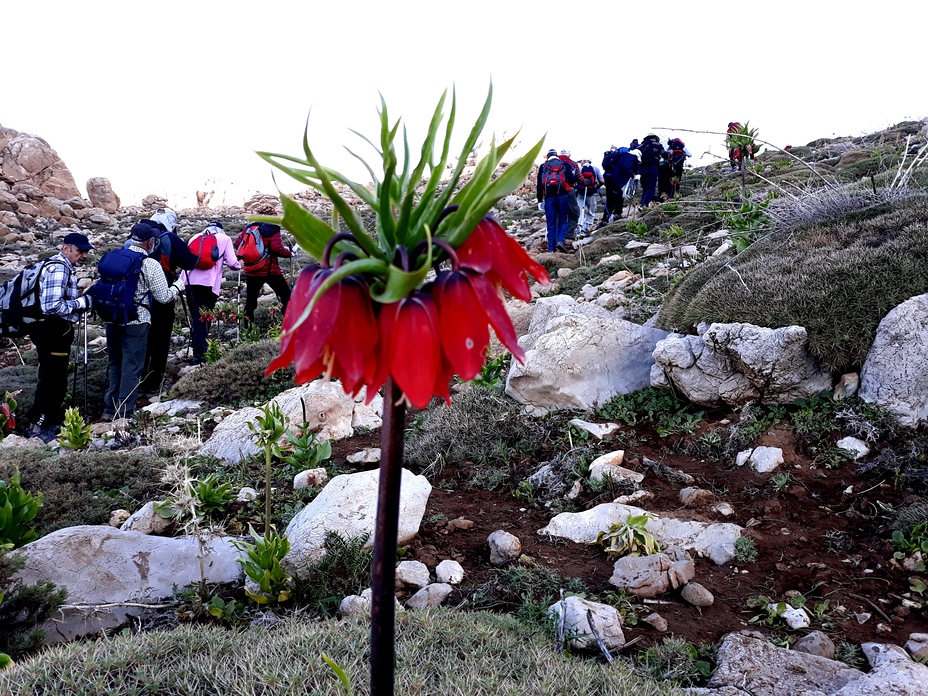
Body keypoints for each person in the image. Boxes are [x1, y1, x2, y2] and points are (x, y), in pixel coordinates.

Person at [102, 224, 185, 420]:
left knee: (115, 363)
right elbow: (163, 297)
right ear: (150, 243)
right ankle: (125, 411)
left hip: (111, 318)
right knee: (132, 366)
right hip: (137, 320)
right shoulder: (149, 264)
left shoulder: (114, 257)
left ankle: (108, 408)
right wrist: (178, 286)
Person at [26, 233, 93, 442]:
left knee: (53, 378)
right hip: (52, 330)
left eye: (85, 251)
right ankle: (37, 429)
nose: (83, 255)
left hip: (49, 330)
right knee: (53, 380)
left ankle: (43, 424)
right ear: (66, 248)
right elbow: (52, 305)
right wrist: (80, 304)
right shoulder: (59, 268)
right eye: (79, 250)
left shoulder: (56, 265)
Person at [138, 208, 198, 395]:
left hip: (136, 298)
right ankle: (152, 384)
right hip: (162, 296)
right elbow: (190, 262)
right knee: (160, 339)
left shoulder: (135, 234)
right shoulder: (167, 238)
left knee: (140, 339)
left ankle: (134, 381)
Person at [184, 221, 241, 364]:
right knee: (203, 317)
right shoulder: (224, 239)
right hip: (209, 283)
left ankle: (197, 346)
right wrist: (240, 265)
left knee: (195, 315)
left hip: (189, 282)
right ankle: (200, 353)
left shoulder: (196, 236)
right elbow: (232, 263)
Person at [235, 212, 293, 325]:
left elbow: (238, 244)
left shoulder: (249, 227)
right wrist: (289, 253)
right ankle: (288, 322)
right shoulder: (273, 228)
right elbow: (276, 248)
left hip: (251, 270)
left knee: (251, 299)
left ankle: (247, 327)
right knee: (286, 295)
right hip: (270, 270)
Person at [536, 148, 577, 253]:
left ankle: (551, 249)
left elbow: (539, 185)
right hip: (563, 196)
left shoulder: (543, 166)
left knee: (551, 222)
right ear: (556, 155)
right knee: (563, 220)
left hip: (549, 197)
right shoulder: (564, 165)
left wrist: (540, 200)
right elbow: (572, 179)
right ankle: (560, 240)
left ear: (548, 156)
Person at [575, 158, 603, 236]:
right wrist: (597, 187)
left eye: (581, 161)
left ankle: (579, 228)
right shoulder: (596, 169)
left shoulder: (579, 169)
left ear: (584, 161)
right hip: (592, 193)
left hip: (581, 193)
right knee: (591, 211)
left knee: (580, 211)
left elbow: (575, 180)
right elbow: (602, 180)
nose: (580, 163)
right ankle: (586, 228)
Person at [557, 150, 581, 240]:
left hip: (553, 193)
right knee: (574, 213)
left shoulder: (547, 165)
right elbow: (578, 178)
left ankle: (556, 236)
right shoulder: (573, 164)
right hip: (569, 191)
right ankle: (569, 235)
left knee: (558, 214)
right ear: (569, 155)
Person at [638, 134, 666, 209]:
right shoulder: (657, 145)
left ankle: (643, 205)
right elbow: (665, 155)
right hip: (652, 167)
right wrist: (670, 152)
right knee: (651, 189)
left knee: (645, 188)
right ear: (654, 138)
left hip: (642, 169)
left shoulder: (641, 146)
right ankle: (643, 206)